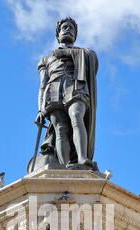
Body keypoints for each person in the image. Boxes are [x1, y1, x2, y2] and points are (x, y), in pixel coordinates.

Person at [36, 17, 98, 168]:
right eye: (65, 27)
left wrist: (69, 53)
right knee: (60, 128)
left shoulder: (83, 53)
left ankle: (83, 158)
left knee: (77, 116)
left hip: (76, 85)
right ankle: (64, 165)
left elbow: (93, 62)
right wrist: (39, 109)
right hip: (53, 90)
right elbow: (42, 85)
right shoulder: (46, 59)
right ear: (58, 34)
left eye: (71, 28)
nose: (68, 29)